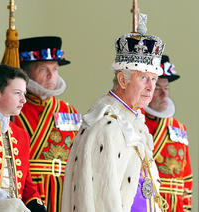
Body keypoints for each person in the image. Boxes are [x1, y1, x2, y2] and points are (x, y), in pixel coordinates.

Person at [62, 30, 167, 212]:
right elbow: (97, 201)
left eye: (154, 79)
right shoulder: (105, 128)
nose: (151, 87)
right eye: (143, 78)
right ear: (122, 80)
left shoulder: (135, 124)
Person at [14, 36, 79, 212]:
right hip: (27, 193)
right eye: (43, 69)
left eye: (55, 69)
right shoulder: (14, 109)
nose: (51, 76)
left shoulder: (69, 111)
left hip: (63, 193)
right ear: (25, 72)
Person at [0, 65, 46, 212]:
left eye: (24, 93)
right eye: (17, 93)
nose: (23, 100)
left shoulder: (21, 135)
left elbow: (27, 185)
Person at [144, 55, 192, 211]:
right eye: (158, 88)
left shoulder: (179, 127)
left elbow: (186, 177)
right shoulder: (137, 122)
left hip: (175, 206)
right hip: (147, 202)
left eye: (166, 88)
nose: (164, 94)